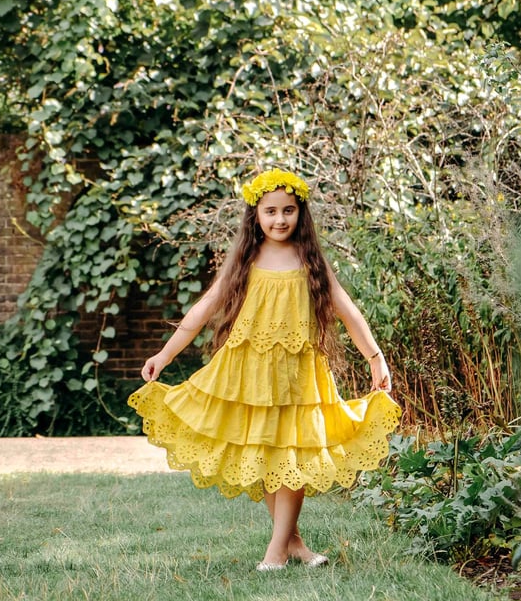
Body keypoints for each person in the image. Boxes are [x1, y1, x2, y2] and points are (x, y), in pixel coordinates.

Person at [128, 168, 401, 572]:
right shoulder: (247, 259)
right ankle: (292, 544)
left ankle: (276, 551)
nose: (279, 219)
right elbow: (203, 310)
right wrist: (164, 356)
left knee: (291, 455)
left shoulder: (309, 259)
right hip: (248, 374)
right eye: (270, 211)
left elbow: (346, 309)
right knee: (270, 458)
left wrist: (375, 357)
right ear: (255, 214)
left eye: (288, 210)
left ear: (300, 213)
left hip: (297, 376)